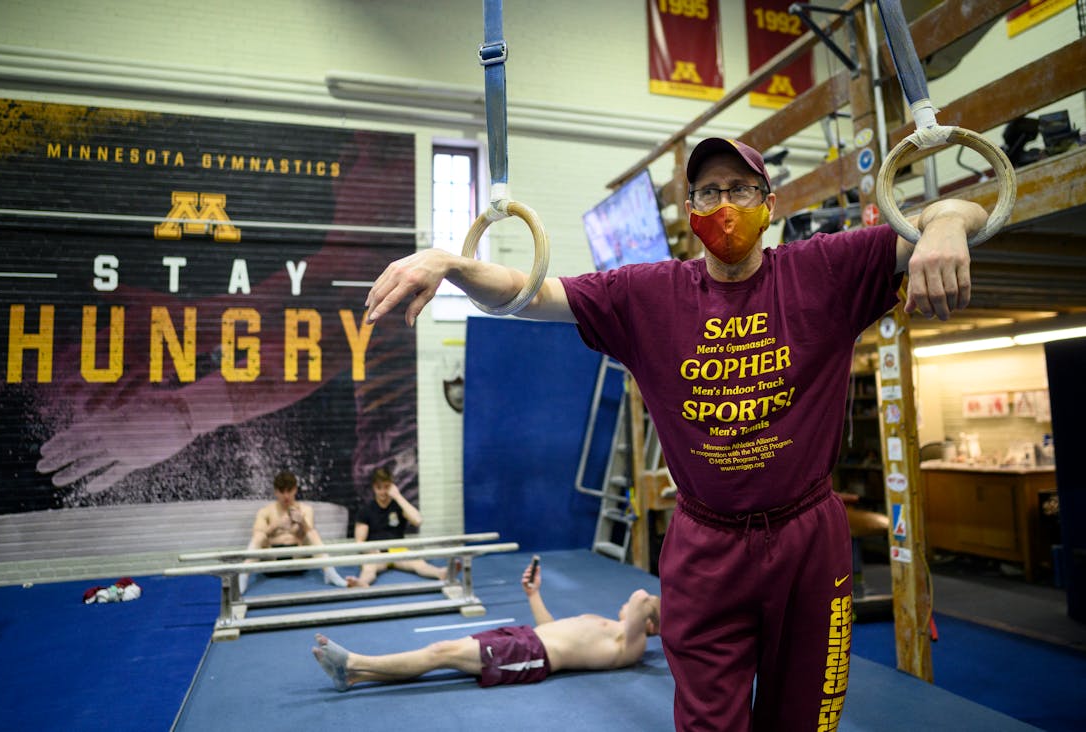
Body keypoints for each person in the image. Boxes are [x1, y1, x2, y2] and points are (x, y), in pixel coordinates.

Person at [363, 137, 988, 731]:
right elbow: (532, 294)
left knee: (804, 720)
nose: (725, 206)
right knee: (707, 722)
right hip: (706, 548)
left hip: (808, 540)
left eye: (742, 190)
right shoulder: (649, 295)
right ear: (690, 212)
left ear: (770, 204)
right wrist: (449, 262)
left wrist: (945, 227)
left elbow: (967, 203)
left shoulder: (821, 271)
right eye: (709, 192)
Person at [311, 561, 661, 690]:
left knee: (440, 651)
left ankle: (355, 663)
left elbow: (641, 596)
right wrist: (534, 595)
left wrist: (661, 610)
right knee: (441, 655)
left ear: (650, 624)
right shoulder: (608, 627)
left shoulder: (630, 645)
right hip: (528, 639)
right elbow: (552, 629)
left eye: (653, 609)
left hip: (530, 656)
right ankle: (356, 676)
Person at [239, 470, 356, 592]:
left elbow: (309, 536)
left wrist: (302, 523)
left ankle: (331, 573)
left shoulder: (306, 509)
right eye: (282, 491)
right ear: (275, 492)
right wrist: (275, 525)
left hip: (298, 558)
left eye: (289, 491)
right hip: (272, 558)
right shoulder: (265, 511)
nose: (286, 496)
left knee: (312, 533)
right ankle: (243, 576)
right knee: (259, 536)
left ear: (295, 489)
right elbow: (256, 536)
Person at [350, 467, 448, 586]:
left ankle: (441, 573)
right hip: (376, 552)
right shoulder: (365, 510)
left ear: (392, 487)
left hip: (397, 550)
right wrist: (370, 549)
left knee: (420, 564)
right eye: (379, 487)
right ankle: (362, 583)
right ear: (373, 488)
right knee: (369, 568)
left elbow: (418, 520)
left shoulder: (399, 505)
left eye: (386, 487)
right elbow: (359, 541)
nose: (383, 492)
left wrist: (398, 496)